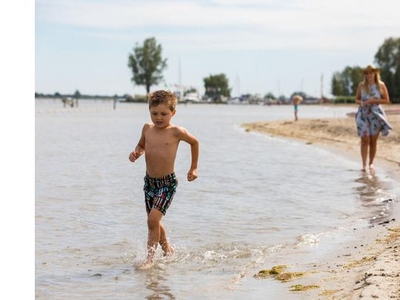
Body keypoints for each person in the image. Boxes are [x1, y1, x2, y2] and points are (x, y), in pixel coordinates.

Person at [129, 90, 199, 269]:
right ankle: (168, 250)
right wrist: (137, 152)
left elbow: (194, 142)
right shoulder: (147, 128)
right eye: (154, 113)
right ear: (149, 111)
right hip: (149, 183)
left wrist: (193, 167)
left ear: (173, 113)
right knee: (154, 222)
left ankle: (149, 260)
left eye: (164, 114)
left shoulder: (176, 132)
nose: (159, 118)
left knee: (152, 220)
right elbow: (142, 145)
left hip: (167, 184)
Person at [355, 65, 392, 172]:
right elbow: (356, 99)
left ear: (375, 73)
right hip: (363, 114)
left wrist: (372, 101)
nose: (369, 75)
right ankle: (363, 164)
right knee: (364, 139)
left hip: (375, 114)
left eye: (371, 73)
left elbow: (386, 100)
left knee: (373, 141)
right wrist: (361, 102)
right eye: (367, 73)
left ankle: (371, 163)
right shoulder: (361, 85)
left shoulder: (381, 85)